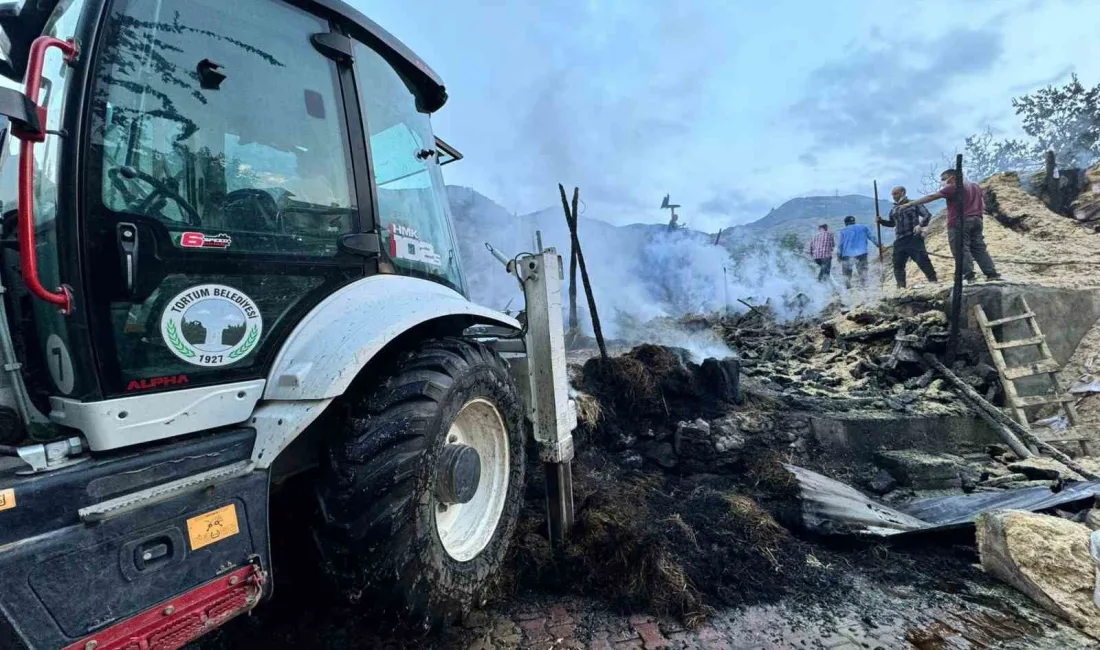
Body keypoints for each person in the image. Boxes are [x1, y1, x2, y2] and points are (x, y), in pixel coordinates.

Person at [907, 169, 1001, 283]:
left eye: (943, 179)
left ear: (952, 177)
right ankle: (992, 274)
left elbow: (932, 196)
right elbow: (982, 201)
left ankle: (969, 276)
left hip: (959, 221)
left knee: (960, 248)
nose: (942, 182)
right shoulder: (975, 186)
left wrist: (911, 203)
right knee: (979, 248)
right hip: (977, 220)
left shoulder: (954, 187)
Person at [878, 186, 938, 289]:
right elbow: (892, 223)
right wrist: (881, 221)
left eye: (895, 193)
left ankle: (933, 281)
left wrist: (921, 225)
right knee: (898, 264)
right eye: (892, 194)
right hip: (900, 239)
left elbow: (927, 215)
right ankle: (901, 287)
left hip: (913, 237)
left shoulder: (914, 204)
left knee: (922, 260)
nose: (893, 196)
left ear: (903, 192)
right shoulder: (894, 209)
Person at [836, 215, 879, 288]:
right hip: (862, 253)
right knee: (862, 271)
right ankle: (865, 286)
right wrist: (879, 244)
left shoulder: (843, 231)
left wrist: (839, 256)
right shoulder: (863, 227)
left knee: (847, 273)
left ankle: (848, 288)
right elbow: (872, 237)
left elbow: (840, 245)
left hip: (848, 254)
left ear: (846, 223)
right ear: (854, 222)